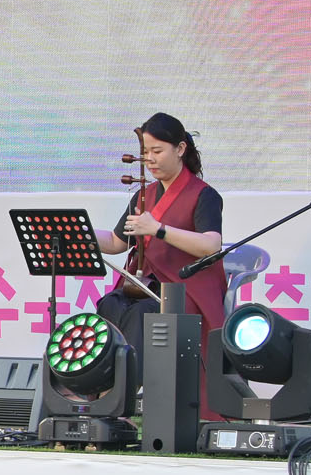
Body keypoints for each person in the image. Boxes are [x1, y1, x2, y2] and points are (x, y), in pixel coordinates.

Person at [95, 112, 229, 396]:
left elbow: (211, 245)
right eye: (146, 152)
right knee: (110, 305)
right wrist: (80, 233)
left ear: (180, 149)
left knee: (141, 312)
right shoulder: (144, 194)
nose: (150, 159)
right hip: (148, 286)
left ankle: (123, 395)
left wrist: (158, 229)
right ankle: (105, 391)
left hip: (185, 290)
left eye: (157, 151)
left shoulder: (203, 195)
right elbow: (117, 242)